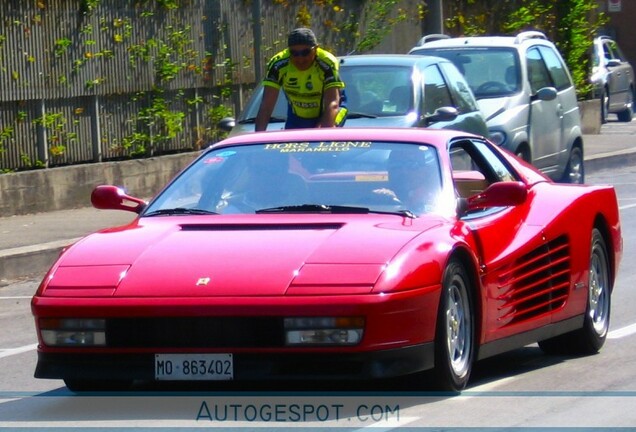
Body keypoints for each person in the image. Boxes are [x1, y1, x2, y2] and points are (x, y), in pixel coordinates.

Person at [255, 28, 347, 131]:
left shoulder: (326, 62)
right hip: (298, 115)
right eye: (294, 53)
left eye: (305, 52)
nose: (300, 58)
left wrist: (321, 135)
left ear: (316, 49)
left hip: (331, 108)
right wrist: (257, 138)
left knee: (325, 135)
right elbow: (266, 106)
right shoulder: (278, 64)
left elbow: (333, 102)